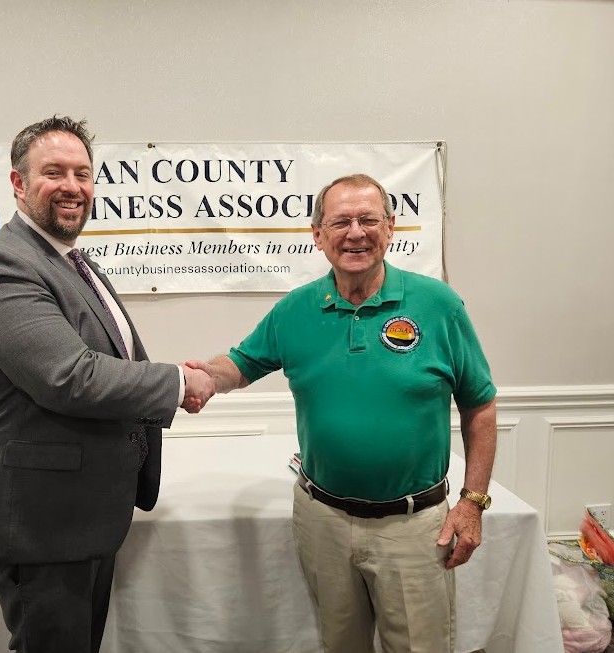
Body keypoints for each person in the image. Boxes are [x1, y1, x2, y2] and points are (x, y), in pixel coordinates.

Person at [187, 173, 497, 653]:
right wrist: (204, 377)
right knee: (340, 645)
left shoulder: (438, 305)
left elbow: (480, 404)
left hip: (415, 527)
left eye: (368, 219)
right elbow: (242, 365)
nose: (356, 233)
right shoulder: (295, 310)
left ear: (390, 227)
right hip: (322, 522)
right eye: (340, 222)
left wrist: (472, 503)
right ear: (318, 235)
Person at [0, 115, 214, 653]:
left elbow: (110, 359)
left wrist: (172, 380)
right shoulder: (3, 264)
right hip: (39, 517)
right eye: (54, 172)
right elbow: (69, 377)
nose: (73, 186)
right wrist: (178, 382)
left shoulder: (68, 260)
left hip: (78, 508)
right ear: (19, 183)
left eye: (83, 174)